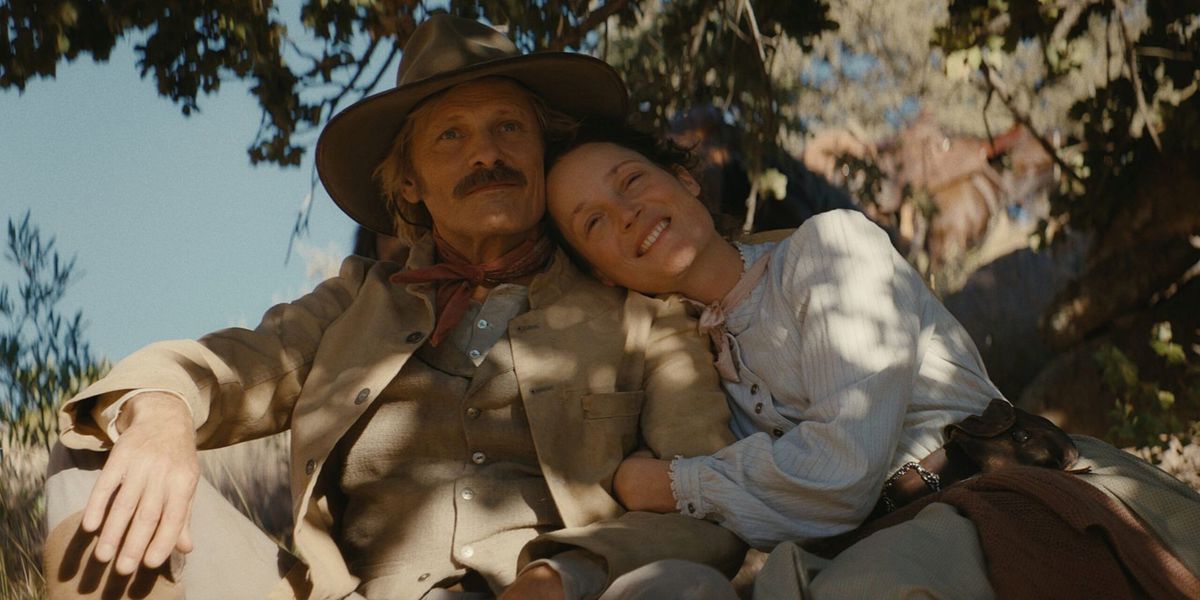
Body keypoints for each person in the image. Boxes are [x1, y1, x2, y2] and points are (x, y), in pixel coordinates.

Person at [42, 16, 747, 600]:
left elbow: (708, 506)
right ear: (409, 184)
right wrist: (161, 409)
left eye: (509, 128)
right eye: (452, 136)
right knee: (89, 474)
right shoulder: (355, 301)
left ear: (541, 152)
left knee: (681, 588)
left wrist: (564, 576)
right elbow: (223, 369)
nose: (487, 155)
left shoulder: (642, 314)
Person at [542, 122, 1200, 598]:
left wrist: (675, 483)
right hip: (872, 546)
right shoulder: (694, 359)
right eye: (593, 223)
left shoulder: (827, 248)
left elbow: (841, 469)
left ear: (685, 181)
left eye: (630, 180)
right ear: (601, 274)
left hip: (986, 492)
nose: (625, 213)